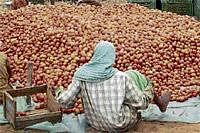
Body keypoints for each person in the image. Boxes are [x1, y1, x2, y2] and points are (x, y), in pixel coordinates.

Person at [56, 41, 171, 132]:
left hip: (95, 123)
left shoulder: (81, 75)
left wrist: (58, 91)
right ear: (112, 57)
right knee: (145, 84)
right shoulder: (121, 78)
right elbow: (141, 103)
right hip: (120, 124)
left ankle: (159, 102)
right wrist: (147, 91)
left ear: (95, 55)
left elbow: (65, 102)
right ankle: (159, 102)